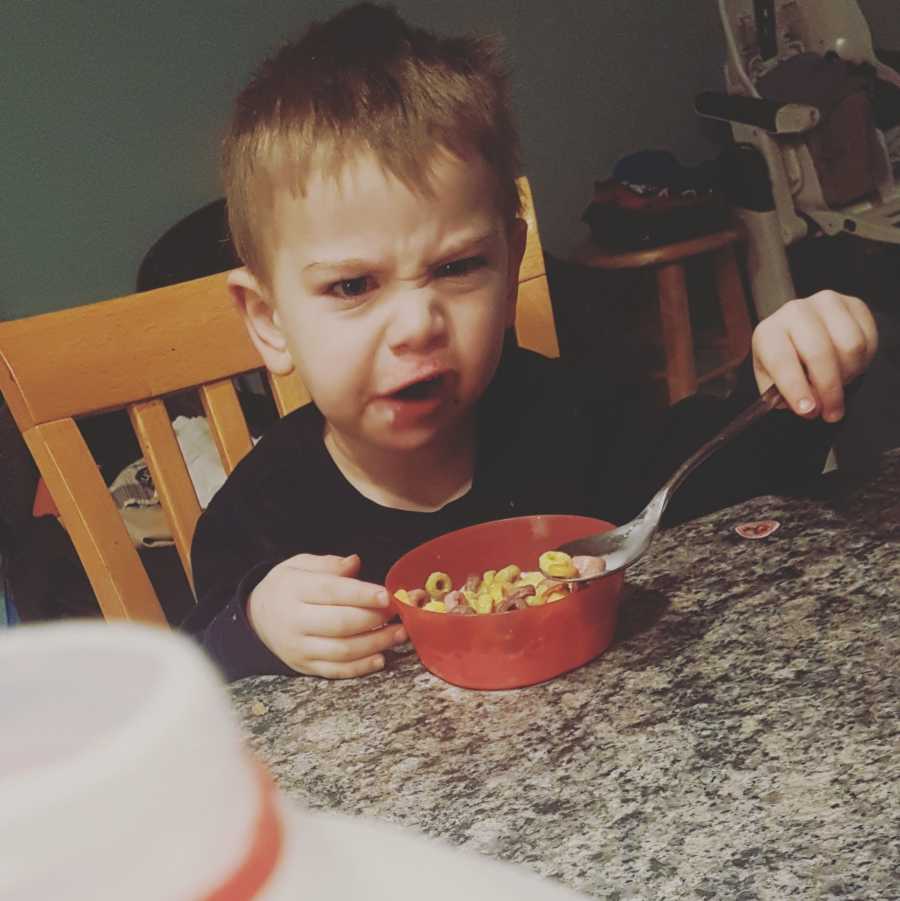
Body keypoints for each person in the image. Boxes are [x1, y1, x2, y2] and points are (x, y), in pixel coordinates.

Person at [184, 2, 878, 682]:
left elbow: (731, 487)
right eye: (352, 286)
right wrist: (254, 625)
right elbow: (194, 667)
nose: (418, 323)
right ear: (269, 320)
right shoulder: (258, 518)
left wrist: (795, 378)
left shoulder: (573, 418)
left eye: (457, 267)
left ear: (512, 261)